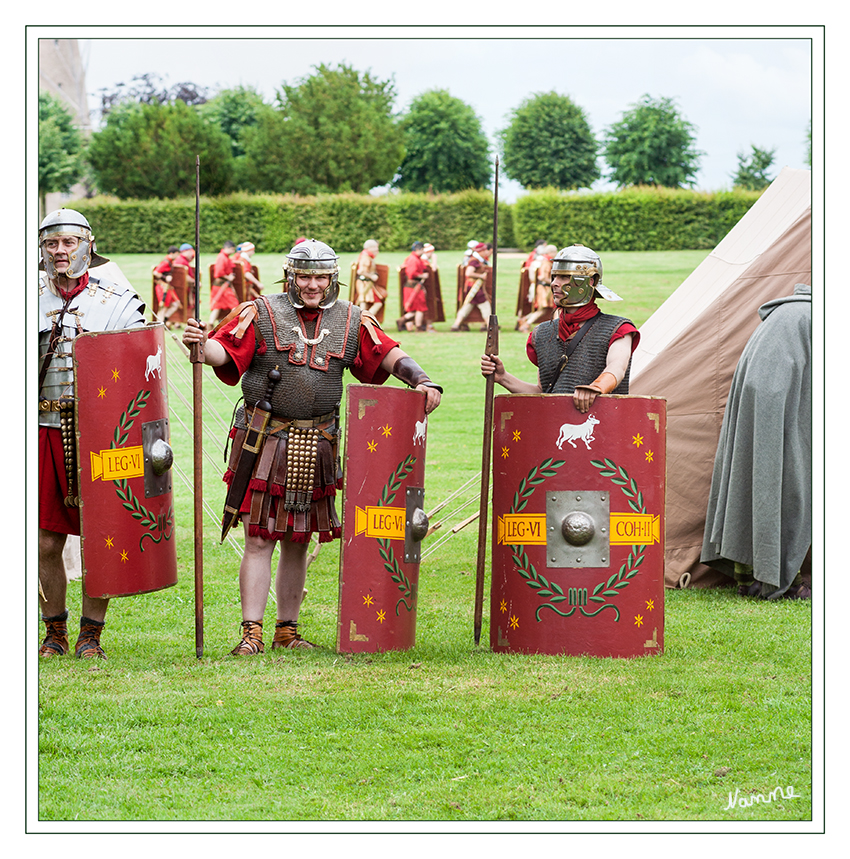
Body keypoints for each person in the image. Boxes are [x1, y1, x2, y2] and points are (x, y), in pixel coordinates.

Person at [181, 239, 442, 655]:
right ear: (291, 276)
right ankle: (251, 634)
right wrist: (201, 345)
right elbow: (222, 350)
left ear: (332, 278)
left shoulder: (352, 318)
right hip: (263, 438)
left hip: (317, 440)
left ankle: (287, 630)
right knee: (259, 538)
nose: (312, 285)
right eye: (305, 276)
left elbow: (389, 354)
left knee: (298, 539)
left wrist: (422, 380)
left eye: (320, 277)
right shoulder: (261, 311)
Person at [38, 209, 146, 659]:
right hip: (42, 428)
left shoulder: (117, 299)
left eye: (69, 242)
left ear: (88, 244)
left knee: (102, 536)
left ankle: (90, 635)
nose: (60, 251)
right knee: (44, 539)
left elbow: (143, 362)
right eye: (51, 244)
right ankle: (55, 633)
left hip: (102, 433)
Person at [701, 284, 812, 600]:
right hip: (778, 398)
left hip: (761, 395)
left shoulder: (788, 311)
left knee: (752, 479)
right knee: (787, 486)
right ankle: (781, 581)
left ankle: (747, 577)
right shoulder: (813, 315)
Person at [480, 244, 639, 414]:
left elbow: (617, 367)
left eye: (564, 277)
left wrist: (596, 388)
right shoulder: (542, 334)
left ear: (590, 281)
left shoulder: (618, 329)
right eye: (554, 276)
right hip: (557, 431)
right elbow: (544, 394)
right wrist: (503, 377)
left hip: (603, 429)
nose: (555, 283)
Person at [451, 242, 493, 331]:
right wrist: (481, 276)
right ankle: (490, 327)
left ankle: (456, 325)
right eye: (484, 250)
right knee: (485, 306)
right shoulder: (474, 261)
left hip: (474, 287)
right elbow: (469, 273)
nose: (486, 252)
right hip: (474, 287)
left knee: (467, 306)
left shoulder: (478, 260)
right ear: (480, 251)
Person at [517, 244, 558, 332]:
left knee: (544, 310)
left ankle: (524, 320)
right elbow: (542, 277)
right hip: (544, 288)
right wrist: (554, 282)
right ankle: (526, 323)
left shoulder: (546, 261)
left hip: (545, 288)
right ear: (550, 252)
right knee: (542, 309)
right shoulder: (546, 262)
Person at [397, 241, 430, 332]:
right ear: (419, 249)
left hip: (412, 286)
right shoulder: (413, 259)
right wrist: (422, 275)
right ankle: (418, 327)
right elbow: (412, 274)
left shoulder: (414, 258)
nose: (423, 252)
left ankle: (401, 321)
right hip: (413, 287)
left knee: (415, 309)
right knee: (420, 308)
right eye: (422, 250)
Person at [208, 240, 238, 327]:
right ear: (227, 248)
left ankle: (211, 323)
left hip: (220, 286)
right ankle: (234, 323)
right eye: (232, 250)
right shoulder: (222, 258)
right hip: (222, 286)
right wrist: (229, 277)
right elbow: (219, 273)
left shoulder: (225, 257)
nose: (233, 252)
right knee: (234, 305)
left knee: (217, 307)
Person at [152, 245, 183, 326]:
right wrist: (165, 277)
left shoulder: (170, 261)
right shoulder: (165, 262)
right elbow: (156, 272)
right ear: (174, 253)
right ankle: (160, 325)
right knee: (163, 307)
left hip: (168, 287)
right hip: (163, 287)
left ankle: (164, 320)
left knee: (176, 304)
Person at [354, 238, 385, 316]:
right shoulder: (366, 257)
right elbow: (360, 271)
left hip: (366, 283)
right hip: (364, 283)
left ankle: (364, 319)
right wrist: (371, 276)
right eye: (375, 247)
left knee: (364, 303)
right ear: (369, 248)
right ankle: (365, 319)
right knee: (366, 303)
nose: (377, 249)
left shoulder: (368, 256)